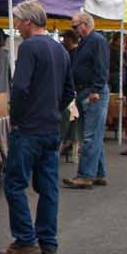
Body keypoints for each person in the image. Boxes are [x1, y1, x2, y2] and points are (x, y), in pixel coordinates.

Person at [0, 0, 74, 254]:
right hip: (51, 127)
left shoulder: (29, 47)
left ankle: (25, 240)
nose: (17, 27)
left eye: (18, 21)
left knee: (15, 184)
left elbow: (19, 87)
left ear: (28, 22)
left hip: (29, 128)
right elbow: (69, 91)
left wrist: (17, 118)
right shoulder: (60, 50)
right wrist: (54, 109)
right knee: (48, 187)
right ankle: (48, 243)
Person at [63, 11, 109, 190]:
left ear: (85, 24)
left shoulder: (96, 41)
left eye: (75, 27)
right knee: (93, 134)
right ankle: (98, 173)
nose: (74, 30)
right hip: (86, 90)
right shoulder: (89, 41)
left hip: (92, 91)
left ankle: (85, 175)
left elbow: (101, 66)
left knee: (90, 135)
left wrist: (96, 89)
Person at [59, 28, 81, 163]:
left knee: (69, 119)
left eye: (64, 38)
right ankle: (72, 151)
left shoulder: (71, 54)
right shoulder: (73, 52)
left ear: (69, 39)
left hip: (72, 92)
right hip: (74, 91)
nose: (62, 41)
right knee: (74, 120)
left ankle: (65, 146)